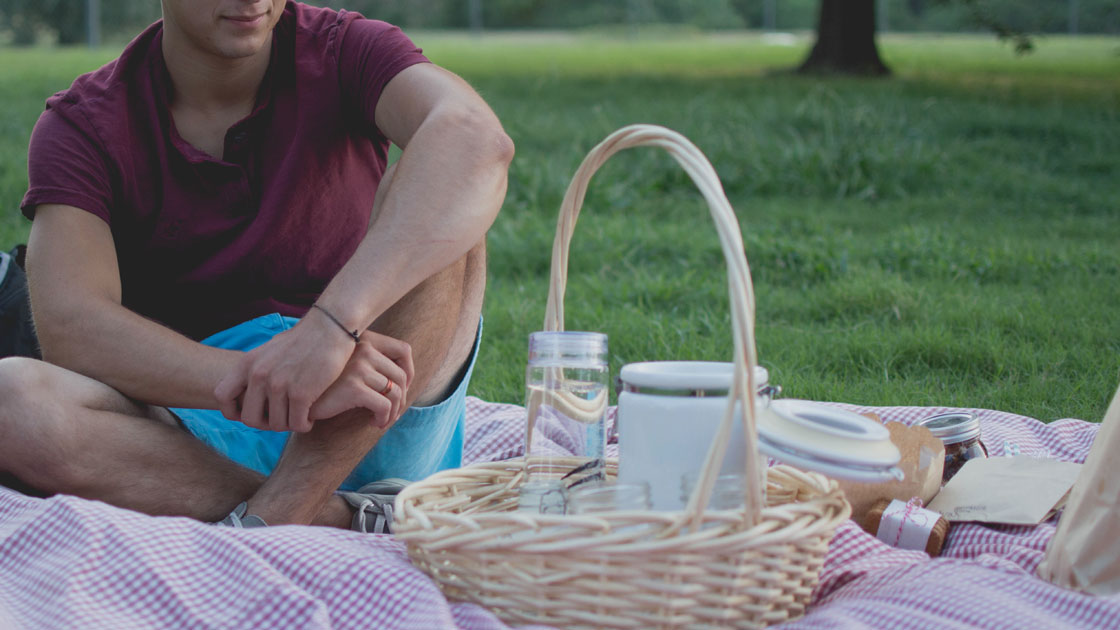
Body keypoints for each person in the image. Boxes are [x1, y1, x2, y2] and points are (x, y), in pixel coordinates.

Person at [0, 0, 513, 531]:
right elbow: (71, 325)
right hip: (200, 440)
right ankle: (343, 517)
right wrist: (272, 381)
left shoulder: (343, 48)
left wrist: (331, 333)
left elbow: (475, 140)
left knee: (445, 194)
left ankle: (277, 515)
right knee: (10, 401)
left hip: (379, 412)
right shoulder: (83, 123)